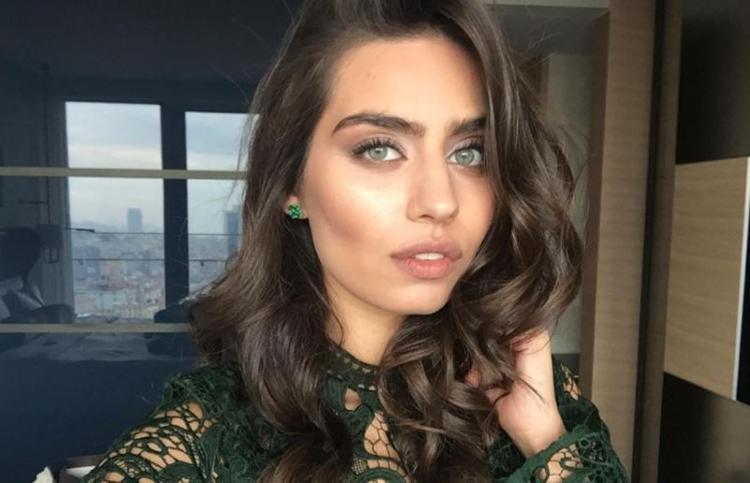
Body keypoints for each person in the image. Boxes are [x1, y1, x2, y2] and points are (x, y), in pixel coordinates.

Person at [82, 0, 629, 481]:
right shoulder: (204, 443)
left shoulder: (532, 397)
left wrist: (543, 440)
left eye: (469, 152)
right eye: (380, 149)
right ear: (292, 183)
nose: (440, 202)